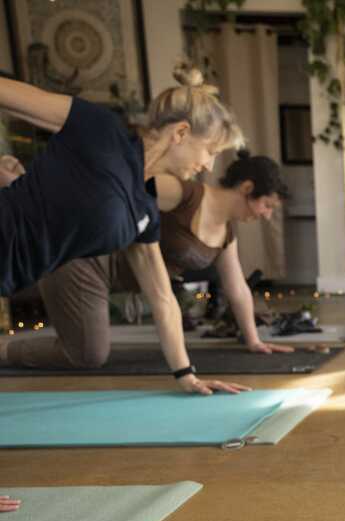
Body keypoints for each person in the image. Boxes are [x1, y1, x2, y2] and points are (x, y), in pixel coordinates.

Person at [0, 64, 249, 394]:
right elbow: (10, 95)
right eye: (210, 151)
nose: (209, 165)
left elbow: (162, 298)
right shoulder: (98, 128)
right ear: (181, 133)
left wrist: (186, 375)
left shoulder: (145, 210)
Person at [2, 151, 293, 373]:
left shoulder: (226, 232)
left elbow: (237, 287)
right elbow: (122, 189)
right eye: (266, 205)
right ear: (246, 187)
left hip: (106, 278)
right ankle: (3, 349)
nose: (266, 214)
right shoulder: (186, 194)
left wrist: (253, 340)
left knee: (89, 353)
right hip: (82, 257)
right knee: (89, 355)